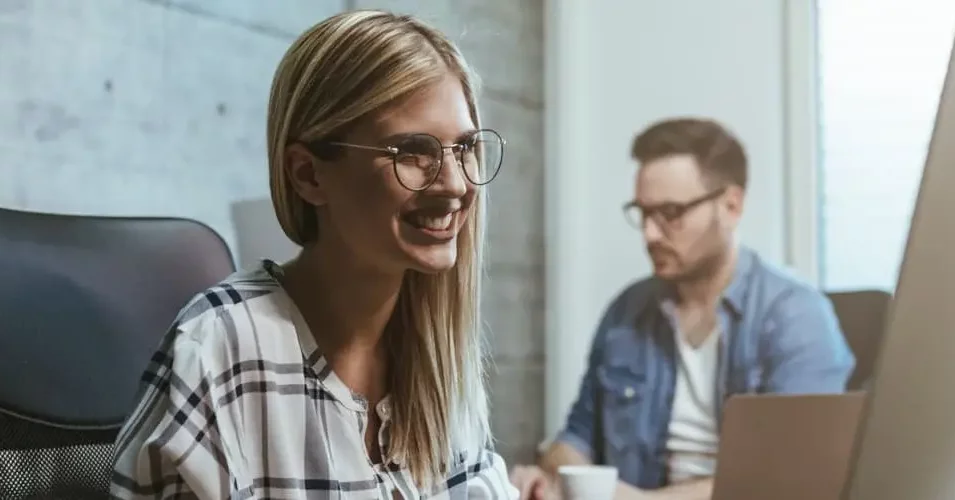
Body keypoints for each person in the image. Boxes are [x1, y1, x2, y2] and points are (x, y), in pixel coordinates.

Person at [109, 10, 517, 499]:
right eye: (412, 151)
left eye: (466, 147)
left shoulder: (437, 352)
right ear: (308, 174)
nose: (455, 183)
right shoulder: (219, 350)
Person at [511, 117, 856, 500]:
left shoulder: (797, 317)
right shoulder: (627, 312)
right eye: (643, 213)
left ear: (730, 205)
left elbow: (795, 476)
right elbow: (575, 439)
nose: (650, 234)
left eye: (671, 213)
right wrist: (548, 477)